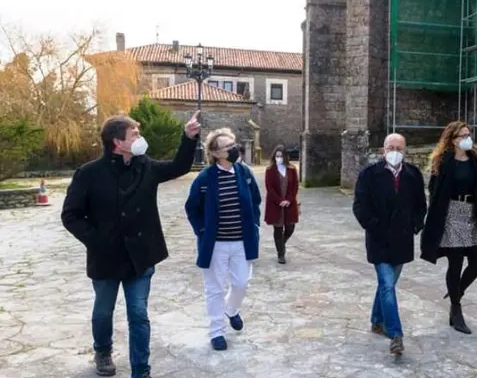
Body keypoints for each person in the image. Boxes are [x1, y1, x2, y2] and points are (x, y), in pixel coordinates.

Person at [61, 112, 201, 378]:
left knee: (138, 314)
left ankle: (141, 369)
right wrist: (98, 241)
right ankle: (102, 350)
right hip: (106, 258)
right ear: (117, 142)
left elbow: (178, 167)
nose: (140, 138)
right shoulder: (89, 173)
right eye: (134, 134)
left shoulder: (145, 166)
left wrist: (189, 138)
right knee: (103, 312)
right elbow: (71, 215)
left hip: (141, 257)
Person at [421, 121, 477, 335]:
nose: (467, 138)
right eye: (462, 135)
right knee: (455, 261)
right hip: (451, 214)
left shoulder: (474, 160)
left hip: (472, 214)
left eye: (469, 134)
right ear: (452, 140)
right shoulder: (443, 161)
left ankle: (456, 292)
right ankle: (456, 309)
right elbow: (435, 190)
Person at [184, 128, 261, 351]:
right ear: (216, 153)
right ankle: (217, 331)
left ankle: (231, 309)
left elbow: (255, 200)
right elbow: (191, 207)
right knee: (214, 288)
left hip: (241, 242)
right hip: (215, 244)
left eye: (233, 144)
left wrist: (254, 224)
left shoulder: (244, 172)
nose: (233, 149)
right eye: (228, 147)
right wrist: (201, 230)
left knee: (241, 283)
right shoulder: (205, 178)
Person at [353, 133, 427, 355]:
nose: (395, 151)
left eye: (399, 148)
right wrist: (374, 226)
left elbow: (420, 205)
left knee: (387, 286)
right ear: (383, 150)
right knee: (387, 285)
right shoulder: (369, 175)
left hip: (402, 240)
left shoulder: (413, 175)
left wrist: (415, 225)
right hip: (379, 240)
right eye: (391, 147)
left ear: (405, 151)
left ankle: (377, 320)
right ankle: (395, 334)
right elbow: (360, 206)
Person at [264, 144, 300, 264]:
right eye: (276, 156)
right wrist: (279, 200)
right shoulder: (270, 170)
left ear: (285, 157)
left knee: (290, 227)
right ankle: (281, 254)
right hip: (275, 204)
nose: (278, 158)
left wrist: (288, 200)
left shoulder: (291, 169)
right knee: (278, 229)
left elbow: (295, 186)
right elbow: (270, 188)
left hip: (289, 204)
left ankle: (281, 244)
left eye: (280, 156)